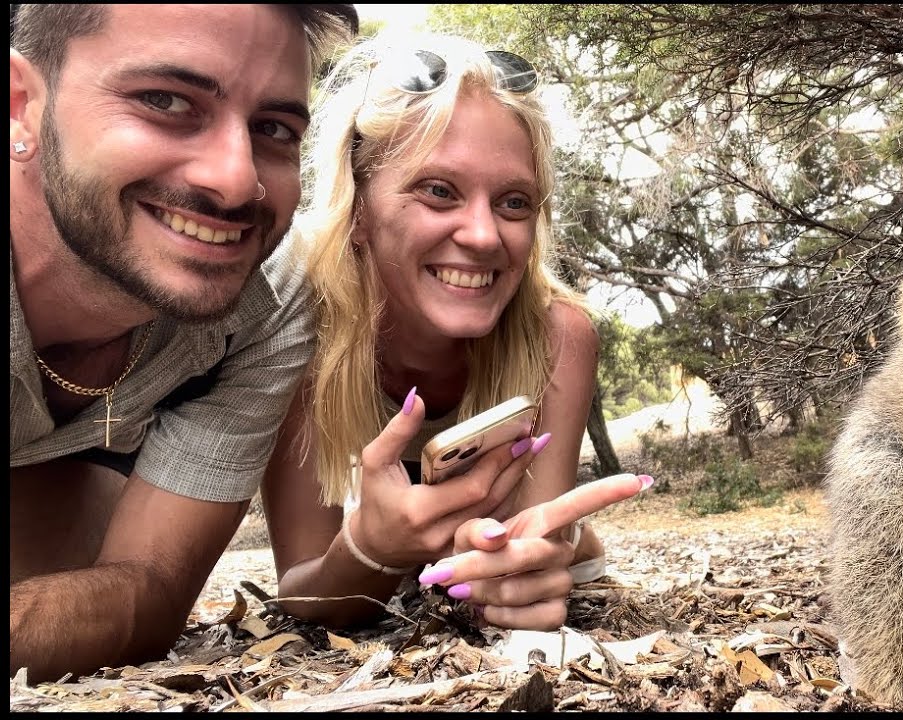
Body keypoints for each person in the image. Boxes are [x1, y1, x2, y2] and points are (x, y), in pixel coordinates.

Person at [8, 4, 358, 682]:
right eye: (166, 101)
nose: (236, 181)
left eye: (273, 129)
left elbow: (152, 587)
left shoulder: (267, 299)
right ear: (21, 104)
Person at [263, 31, 651, 632]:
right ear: (358, 209)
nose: (484, 236)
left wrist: (524, 563)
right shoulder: (298, 329)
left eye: (514, 202)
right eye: (438, 191)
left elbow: (522, 551)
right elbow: (305, 594)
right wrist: (370, 547)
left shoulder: (559, 336)